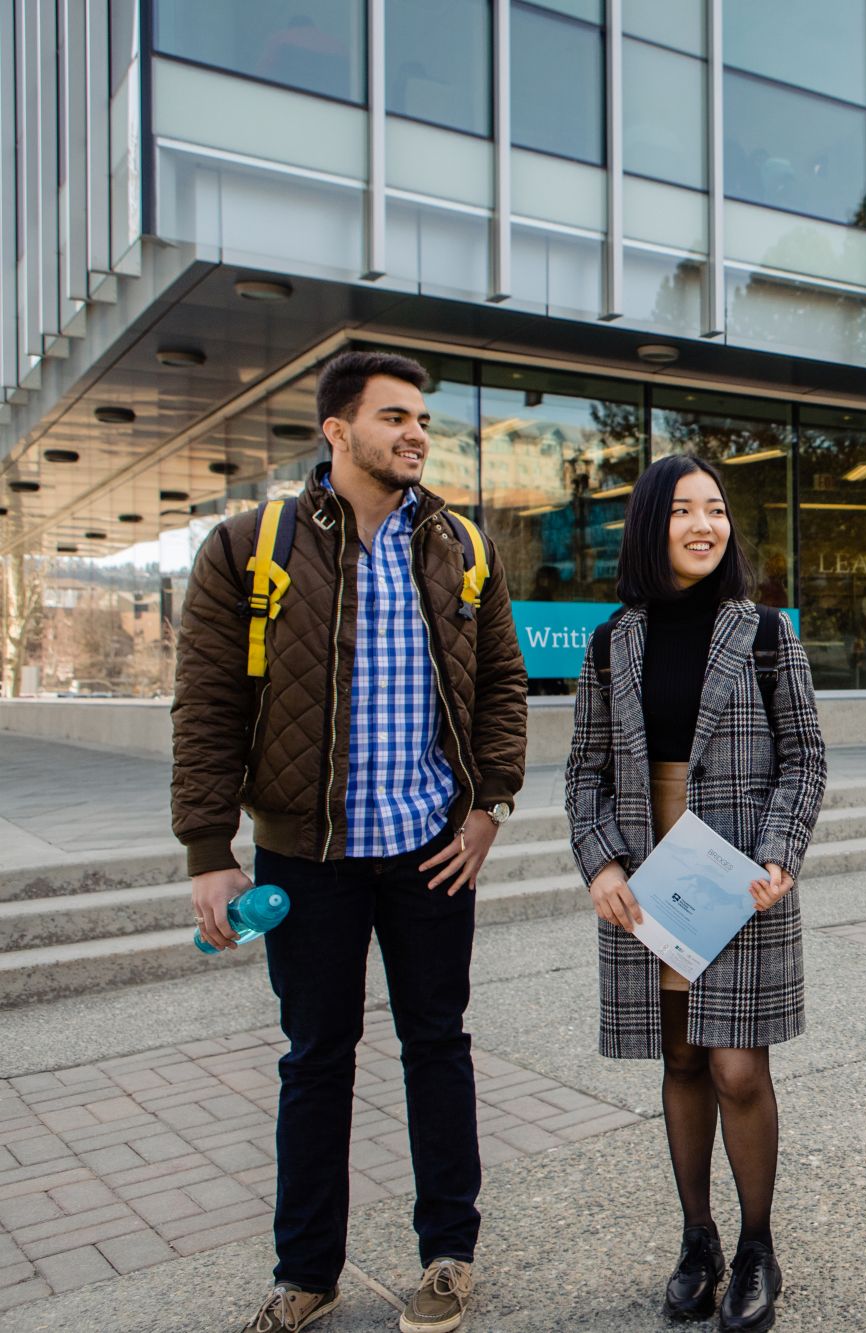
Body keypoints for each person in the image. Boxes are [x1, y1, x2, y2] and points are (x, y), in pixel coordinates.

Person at [171, 350, 527, 1333]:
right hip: (305, 858)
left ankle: (448, 1255)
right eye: (393, 417)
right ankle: (307, 1272)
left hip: (429, 853)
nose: (415, 433)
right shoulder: (249, 546)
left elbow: (501, 686)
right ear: (336, 430)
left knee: (437, 1046)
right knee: (315, 1057)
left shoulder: (461, 546)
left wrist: (488, 804)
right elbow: (204, 706)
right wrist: (210, 849)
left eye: (421, 419)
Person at [565, 454, 828, 1332]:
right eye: (684, 510)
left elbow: (806, 757)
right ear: (651, 524)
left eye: (715, 509)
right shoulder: (612, 643)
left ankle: (757, 1246)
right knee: (680, 1058)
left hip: (740, 877)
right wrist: (601, 862)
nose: (704, 525)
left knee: (737, 1066)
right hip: (650, 881)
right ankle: (698, 1238)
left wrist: (781, 851)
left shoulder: (763, 633)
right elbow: (584, 774)